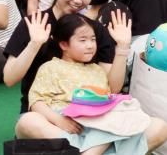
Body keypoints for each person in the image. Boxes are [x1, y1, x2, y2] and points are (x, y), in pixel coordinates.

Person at [3, 0, 123, 127]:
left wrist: (123, 47)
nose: (78, 0)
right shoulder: (33, 23)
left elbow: (111, 87)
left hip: (90, 115)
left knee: (156, 127)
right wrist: (34, 44)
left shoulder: (96, 31)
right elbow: (9, 79)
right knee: (29, 123)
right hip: (43, 115)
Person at [28, 12, 167, 153]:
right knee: (29, 120)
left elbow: (113, 92)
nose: (90, 45)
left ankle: (92, 150)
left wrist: (123, 46)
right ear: (64, 44)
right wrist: (59, 120)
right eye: (83, 40)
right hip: (68, 129)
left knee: (159, 126)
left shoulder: (97, 70)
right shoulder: (51, 67)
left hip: (102, 127)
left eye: (93, 39)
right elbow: (36, 101)